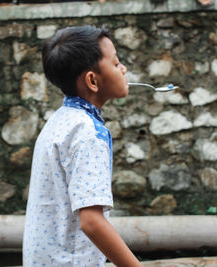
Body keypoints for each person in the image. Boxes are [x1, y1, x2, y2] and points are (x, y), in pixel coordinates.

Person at [23, 25, 142, 267]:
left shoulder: (60, 120)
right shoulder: (89, 134)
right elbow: (91, 222)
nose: (123, 69)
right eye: (116, 63)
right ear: (92, 81)